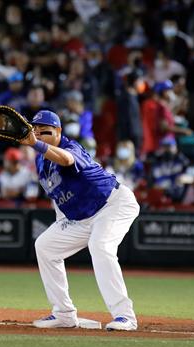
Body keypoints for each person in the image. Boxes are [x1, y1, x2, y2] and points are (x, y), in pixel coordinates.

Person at [22, 110, 140, 331]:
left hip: (113, 205)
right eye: (34, 132)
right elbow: (58, 197)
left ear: (58, 131)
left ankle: (125, 316)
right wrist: (61, 223)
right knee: (45, 246)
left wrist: (37, 145)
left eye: (44, 131)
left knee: (101, 246)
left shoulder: (71, 147)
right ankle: (64, 314)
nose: (37, 135)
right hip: (81, 218)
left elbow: (66, 160)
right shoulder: (41, 163)